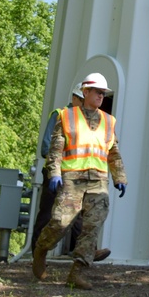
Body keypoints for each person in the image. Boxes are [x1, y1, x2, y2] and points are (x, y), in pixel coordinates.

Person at [32, 73, 128, 290]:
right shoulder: (66, 117)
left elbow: (113, 152)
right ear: (85, 92)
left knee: (92, 226)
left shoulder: (108, 121)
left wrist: (120, 176)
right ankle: (41, 249)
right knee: (61, 222)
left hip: (98, 181)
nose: (101, 96)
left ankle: (78, 273)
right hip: (72, 179)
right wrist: (54, 172)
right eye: (97, 92)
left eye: (104, 93)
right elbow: (55, 150)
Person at [31, 82, 110, 261]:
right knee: (48, 214)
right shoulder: (61, 115)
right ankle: (36, 252)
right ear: (74, 98)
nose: (84, 104)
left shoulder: (87, 120)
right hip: (57, 174)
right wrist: (56, 170)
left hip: (78, 176)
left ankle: (86, 250)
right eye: (81, 99)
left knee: (81, 214)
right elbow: (46, 147)